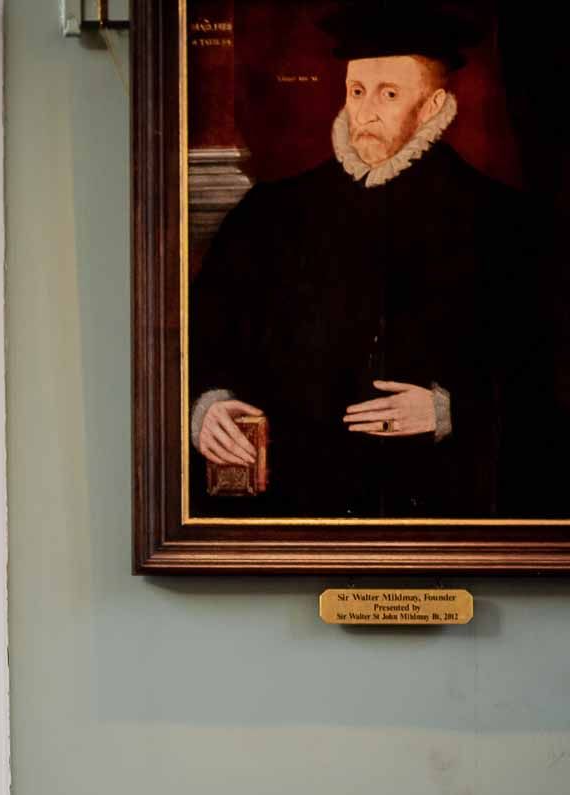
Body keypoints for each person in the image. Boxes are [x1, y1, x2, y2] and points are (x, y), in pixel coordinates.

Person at [188, 0, 554, 518]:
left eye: (388, 94)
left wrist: (456, 411)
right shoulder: (273, 212)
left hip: (443, 502)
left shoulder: (503, 220)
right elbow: (201, 335)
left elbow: (545, 370)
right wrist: (206, 406)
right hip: (295, 503)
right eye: (357, 92)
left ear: (431, 107)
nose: (365, 111)